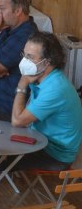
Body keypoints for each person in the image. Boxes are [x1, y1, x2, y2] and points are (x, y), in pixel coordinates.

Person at [8, 32, 82, 170]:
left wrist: (21, 86)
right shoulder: (40, 77)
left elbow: (18, 121)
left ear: (46, 62)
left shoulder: (55, 88)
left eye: (30, 57)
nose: (24, 61)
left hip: (54, 154)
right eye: (24, 55)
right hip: (38, 139)